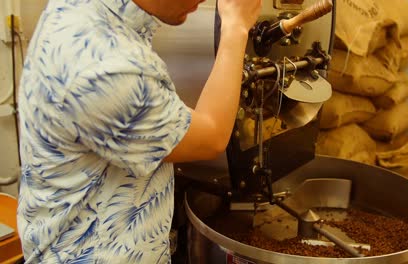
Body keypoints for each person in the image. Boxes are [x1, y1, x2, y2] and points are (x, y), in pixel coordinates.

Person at [16, 0, 262, 262]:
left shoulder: (90, 11)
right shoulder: (105, 66)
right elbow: (211, 138)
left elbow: (151, 112)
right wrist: (235, 28)